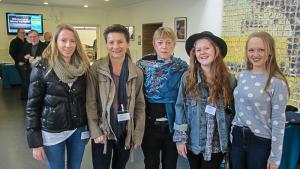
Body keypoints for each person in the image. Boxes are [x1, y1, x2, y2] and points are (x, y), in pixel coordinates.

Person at [26, 24, 90, 169]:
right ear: (55, 42)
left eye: (72, 41)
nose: (68, 45)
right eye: (63, 40)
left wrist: (91, 127)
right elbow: (32, 108)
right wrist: (35, 142)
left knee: (75, 167)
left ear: (77, 43)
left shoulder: (83, 67)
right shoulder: (42, 67)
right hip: (52, 131)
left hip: (78, 129)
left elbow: (88, 101)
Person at [173, 31, 236, 169]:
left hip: (217, 144)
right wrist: (180, 140)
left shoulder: (229, 81)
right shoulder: (187, 79)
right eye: (198, 49)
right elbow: (180, 108)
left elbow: (235, 113)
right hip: (193, 142)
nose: (202, 52)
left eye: (207, 48)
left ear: (216, 51)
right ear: (194, 54)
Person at [86, 24, 145, 169]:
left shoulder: (137, 72)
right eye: (111, 42)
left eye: (120, 42)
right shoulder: (96, 68)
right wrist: (95, 131)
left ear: (127, 43)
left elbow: (139, 105)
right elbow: (90, 101)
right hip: (103, 130)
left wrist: (137, 134)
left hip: (126, 130)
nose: (115, 46)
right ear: (106, 44)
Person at [230, 32, 289, 169]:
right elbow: (238, 108)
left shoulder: (277, 82)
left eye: (261, 50)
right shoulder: (242, 76)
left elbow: (278, 121)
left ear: (270, 52)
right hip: (238, 137)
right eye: (251, 50)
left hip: (260, 141)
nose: (255, 54)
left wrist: (275, 157)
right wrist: (233, 132)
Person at [137, 27, 188, 169]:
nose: (164, 46)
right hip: (149, 125)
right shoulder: (142, 66)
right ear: (154, 44)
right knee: (151, 163)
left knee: (170, 164)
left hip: (172, 126)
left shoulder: (182, 67)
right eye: (160, 42)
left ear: (174, 45)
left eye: (168, 42)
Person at [19, 30, 47, 99]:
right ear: (28, 38)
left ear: (38, 37)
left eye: (34, 36)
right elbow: (19, 57)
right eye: (30, 37)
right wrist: (25, 57)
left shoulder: (45, 46)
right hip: (29, 70)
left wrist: (39, 60)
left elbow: (49, 58)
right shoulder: (26, 46)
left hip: (41, 70)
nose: (32, 39)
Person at [9, 28, 28, 99]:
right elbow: (12, 52)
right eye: (21, 32)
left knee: (27, 79)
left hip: (27, 63)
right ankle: (24, 96)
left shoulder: (26, 42)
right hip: (20, 64)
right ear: (18, 33)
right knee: (25, 80)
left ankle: (27, 95)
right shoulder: (14, 41)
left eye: (24, 32)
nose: (23, 34)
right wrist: (18, 61)